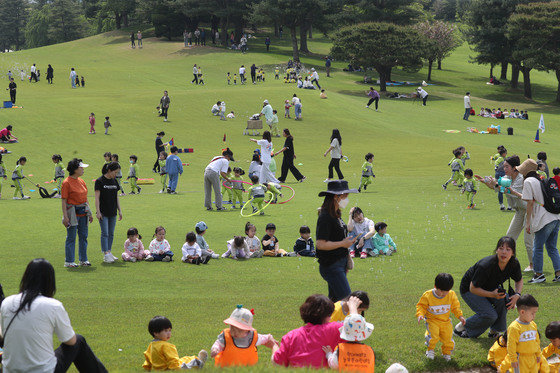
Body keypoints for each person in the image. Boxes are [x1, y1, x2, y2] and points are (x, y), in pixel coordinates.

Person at [0, 258, 107, 372]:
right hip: (43, 370)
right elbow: (70, 341)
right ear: (50, 281)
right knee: (78, 340)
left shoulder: (7, 303)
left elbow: (2, 336)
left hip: (10, 370)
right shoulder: (53, 305)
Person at [454, 236, 522, 339]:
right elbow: (473, 288)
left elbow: (519, 280)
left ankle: (495, 331)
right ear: (496, 250)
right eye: (501, 248)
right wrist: (492, 295)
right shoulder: (486, 265)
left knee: (504, 300)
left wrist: (517, 295)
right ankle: (462, 327)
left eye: (508, 249)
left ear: (512, 253)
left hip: (490, 287)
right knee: (490, 315)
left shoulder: (514, 263)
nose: (504, 252)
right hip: (469, 289)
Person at [476, 156, 535, 272]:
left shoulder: (521, 178)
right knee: (509, 238)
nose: (504, 169)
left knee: (528, 241)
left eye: (507, 166)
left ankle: (533, 265)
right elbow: (497, 188)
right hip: (519, 211)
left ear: (514, 168)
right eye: (504, 166)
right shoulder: (507, 177)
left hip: (529, 211)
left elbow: (511, 191)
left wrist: (497, 185)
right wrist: (486, 182)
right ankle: (510, 263)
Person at [272, 294, 362, 368]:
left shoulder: (291, 336)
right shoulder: (335, 329)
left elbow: (277, 363)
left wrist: (274, 346)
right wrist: (353, 308)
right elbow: (356, 330)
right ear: (328, 315)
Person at [316, 180, 359, 301]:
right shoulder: (325, 216)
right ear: (336, 196)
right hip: (332, 265)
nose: (347, 199)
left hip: (340, 263)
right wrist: (342, 243)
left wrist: (347, 243)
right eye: (345, 195)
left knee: (335, 303)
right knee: (348, 302)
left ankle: (329, 320)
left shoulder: (336, 214)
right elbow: (320, 244)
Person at [521, 158, 560, 283]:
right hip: (555, 217)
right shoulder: (540, 179)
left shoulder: (528, 181)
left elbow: (530, 203)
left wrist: (528, 223)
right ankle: (558, 274)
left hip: (543, 219)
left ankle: (538, 275)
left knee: (537, 247)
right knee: (552, 247)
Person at [416, 273, 465, 360]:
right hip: (432, 321)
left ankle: (446, 353)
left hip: (446, 322)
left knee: (448, 338)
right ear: (435, 286)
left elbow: (455, 307)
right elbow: (421, 306)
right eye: (441, 291)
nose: (444, 294)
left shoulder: (451, 294)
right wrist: (420, 314)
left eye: (447, 291)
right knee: (433, 337)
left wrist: (460, 316)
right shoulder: (428, 295)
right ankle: (430, 350)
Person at [211, 305, 277, 367]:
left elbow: (264, 338)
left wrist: (270, 338)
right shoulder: (225, 337)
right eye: (232, 328)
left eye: (239, 330)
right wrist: (215, 349)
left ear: (247, 330)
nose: (235, 332)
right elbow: (218, 344)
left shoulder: (253, 337)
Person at [143, 316, 207, 370]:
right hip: (169, 368)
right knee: (191, 362)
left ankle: (197, 359)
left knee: (185, 358)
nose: (169, 333)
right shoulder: (167, 346)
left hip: (159, 369)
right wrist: (176, 369)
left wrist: (147, 368)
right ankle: (199, 362)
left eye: (169, 330)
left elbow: (148, 359)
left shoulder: (152, 345)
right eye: (165, 331)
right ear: (156, 333)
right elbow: (173, 360)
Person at [61, 158, 93, 268]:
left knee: (84, 237)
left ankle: (83, 260)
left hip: (83, 212)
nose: (83, 169)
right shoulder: (66, 183)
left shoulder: (81, 181)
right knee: (71, 237)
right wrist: (65, 217)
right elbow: (64, 200)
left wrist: (90, 213)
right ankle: (69, 261)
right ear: (75, 169)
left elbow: (85, 198)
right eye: (81, 167)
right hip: (72, 213)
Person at [505, 295, 542, 372]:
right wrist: (513, 359)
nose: (534, 316)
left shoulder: (533, 325)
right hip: (520, 360)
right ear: (522, 312)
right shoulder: (514, 327)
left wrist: (538, 354)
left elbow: (537, 341)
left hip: (532, 358)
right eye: (532, 313)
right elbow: (511, 345)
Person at [94, 162, 123, 264]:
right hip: (103, 212)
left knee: (111, 233)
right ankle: (106, 254)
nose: (116, 174)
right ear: (109, 171)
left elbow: (116, 197)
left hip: (113, 211)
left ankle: (109, 252)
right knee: (105, 233)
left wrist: (120, 210)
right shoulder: (99, 181)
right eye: (115, 172)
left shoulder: (115, 181)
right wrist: (98, 212)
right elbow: (97, 198)